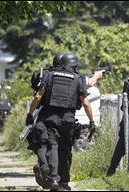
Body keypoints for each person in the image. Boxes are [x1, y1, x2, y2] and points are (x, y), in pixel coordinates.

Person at [26, 53, 96, 191]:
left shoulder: (49, 75)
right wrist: (92, 121)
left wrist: (30, 114)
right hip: (68, 119)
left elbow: (38, 96)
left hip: (50, 116)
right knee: (65, 150)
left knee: (52, 147)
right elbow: (86, 103)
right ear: (74, 65)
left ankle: (54, 179)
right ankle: (63, 182)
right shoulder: (78, 78)